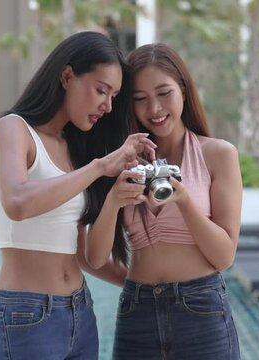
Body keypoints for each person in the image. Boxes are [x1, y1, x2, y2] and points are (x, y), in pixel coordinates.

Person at [0, 31, 156, 360]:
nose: (107, 105)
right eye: (101, 90)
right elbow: (17, 202)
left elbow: (83, 255)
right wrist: (101, 166)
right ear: (67, 76)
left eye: (114, 96)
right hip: (26, 315)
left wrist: (152, 285)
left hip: (80, 312)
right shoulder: (14, 129)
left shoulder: (72, 149)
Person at [89, 43, 242, 359]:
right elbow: (93, 257)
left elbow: (224, 256)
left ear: (184, 91)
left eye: (164, 93)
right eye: (140, 100)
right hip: (137, 311)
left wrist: (184, 201)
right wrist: (114, 200)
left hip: (201, 308)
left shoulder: (219, 155)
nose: (154, 109)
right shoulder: (122, 159)